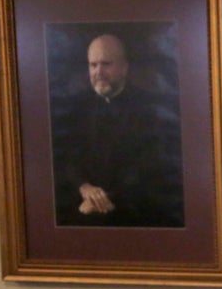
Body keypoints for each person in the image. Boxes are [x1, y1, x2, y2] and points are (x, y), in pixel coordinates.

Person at [51, 32, 184, 227]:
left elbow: (151, 168)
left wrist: (105, 199)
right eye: (93, 65)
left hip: (134, 212)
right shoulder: (75, 108)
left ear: (124, 68)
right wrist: (84, 187)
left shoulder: (149, 109)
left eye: (106, 64)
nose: (98, 72)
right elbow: (66, 159)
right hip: (81, 209)